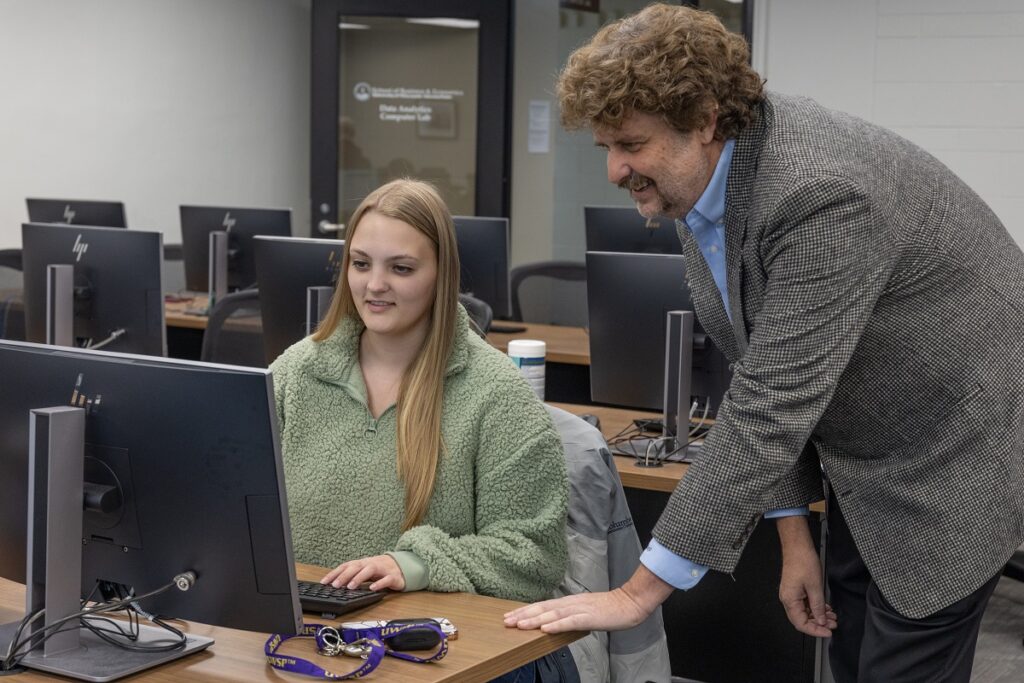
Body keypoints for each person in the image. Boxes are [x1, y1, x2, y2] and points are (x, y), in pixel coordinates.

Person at [504, 5, 1024, 682]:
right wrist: (792, 530)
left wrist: (637, 592)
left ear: (706, 120)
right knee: (848, 655)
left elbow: (771, 400)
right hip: (862, 450)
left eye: (630, 144)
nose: (615, 169)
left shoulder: (818, 194)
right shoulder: (699, 179)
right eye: (606, 147)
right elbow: (756, 353)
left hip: (956, 442)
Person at [272, 178, 569, 679]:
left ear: (441, 275)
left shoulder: (496, 394)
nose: (374, 285)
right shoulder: (296, 373)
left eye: (402, 268)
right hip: (305, 641)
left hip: (441, 654)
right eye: (360, 264)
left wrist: (415, 564)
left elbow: (534, 556)